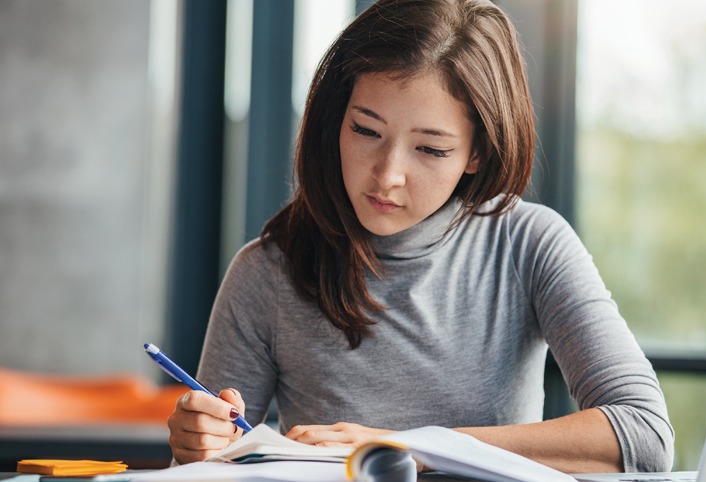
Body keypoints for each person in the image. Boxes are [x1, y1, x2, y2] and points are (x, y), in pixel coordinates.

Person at [166, 0, 674, 474]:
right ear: (336, 120)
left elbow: (645, 435)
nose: (387, 175)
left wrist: (409, 447)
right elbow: (207, 471)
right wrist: (198, 448)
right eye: (366, 131)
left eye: (430, 150)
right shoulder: (268, 272)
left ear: (476, 154)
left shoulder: (528, 244)